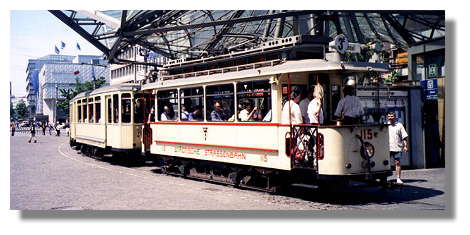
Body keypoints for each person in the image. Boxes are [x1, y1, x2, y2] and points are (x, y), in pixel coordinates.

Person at [387, 112, 408, 184]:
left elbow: (404, 137)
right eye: (389, 116)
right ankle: (384, 179)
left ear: (395, 117)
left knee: (397, 162)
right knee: (385, 164)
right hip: (387, 148)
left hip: (397, 147)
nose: (390, 117)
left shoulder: (399, 125)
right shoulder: (385, 125)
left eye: (391, 116)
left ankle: (398, 178)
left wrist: (405, 146)